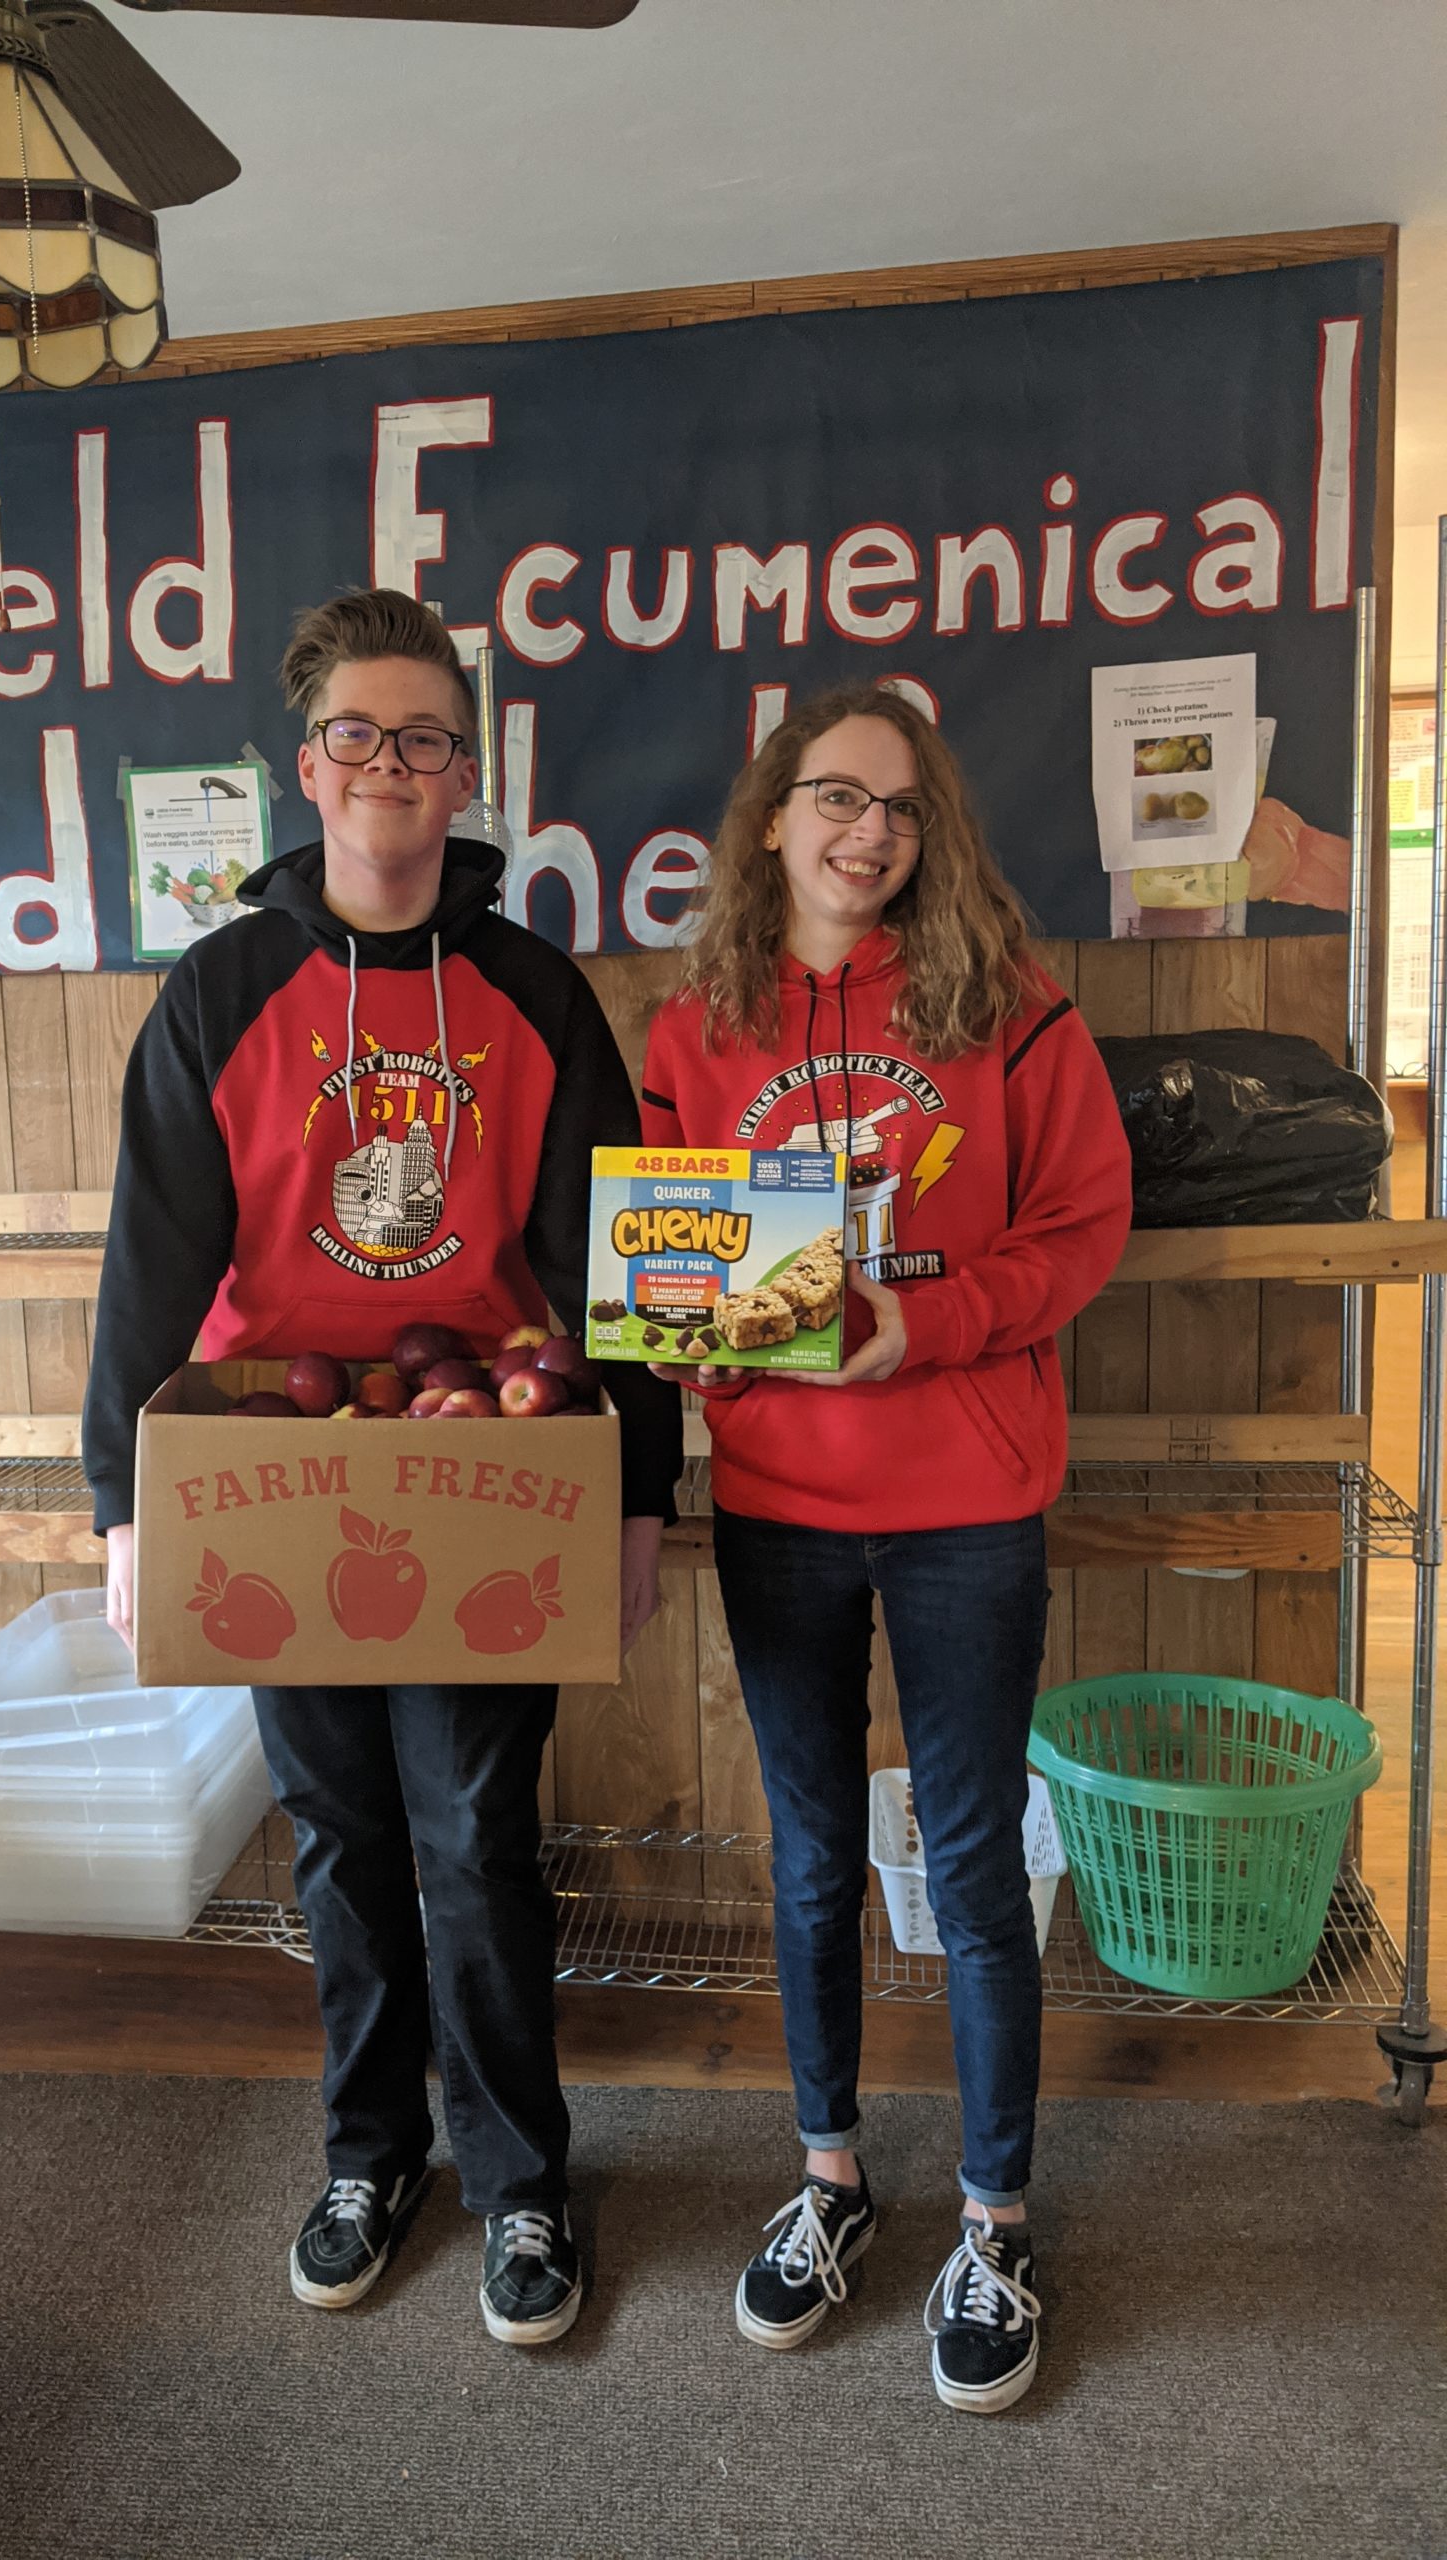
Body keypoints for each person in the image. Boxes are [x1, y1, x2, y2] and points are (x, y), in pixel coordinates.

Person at [84, 587, 683, 2347]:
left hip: (493, 1469)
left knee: (476, 1832)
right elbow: (151, 1258)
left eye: (426, 736)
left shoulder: (532, 991)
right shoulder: (225, 992)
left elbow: (607, 1262)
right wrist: (125, 1507)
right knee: (342, 1839)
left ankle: (519, 2181)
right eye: (361, 734)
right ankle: (371, 2152)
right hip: (278, 1473)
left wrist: (641, 1484)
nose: (393, 767)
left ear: (461, 765)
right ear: (311, 761)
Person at [640, 679, 1131, 2413]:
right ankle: (832, 2178)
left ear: (934, 840)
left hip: (967, 1506)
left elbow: (1080, 1234)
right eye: (837, 797)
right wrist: (687, 1330)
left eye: (903, 808)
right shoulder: (697, 1027)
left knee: (978, 1874)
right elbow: (677, 1254)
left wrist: (923, 1331)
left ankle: (995, 2218)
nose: (870, 831)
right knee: (804, 1865)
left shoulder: (1013, 1012)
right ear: (772, 819)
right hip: (779, 1508)